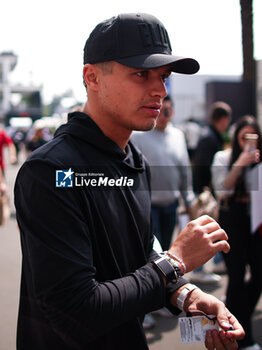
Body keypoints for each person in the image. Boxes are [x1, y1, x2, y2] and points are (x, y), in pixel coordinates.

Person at [14, 13, 244, 350]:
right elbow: (75, 311)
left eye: (163, 76)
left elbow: (133, 259)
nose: (159, 90)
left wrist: (185, 294)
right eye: (141, 74)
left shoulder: (134, 160)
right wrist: (176, 261)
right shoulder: (51, 170)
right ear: (92, 77)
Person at [212, 115, 262, 350]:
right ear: (236, 138)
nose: (249, 142)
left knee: (259, 274)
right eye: (244, 137)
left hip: (256, 221)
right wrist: (241, 162)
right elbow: (222, 190)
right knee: (237, 276)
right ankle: (245, 339)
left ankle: (233, 315)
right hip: (233, 219)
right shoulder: (224, 157)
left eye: (253, 137)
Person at [132, 95, 195, 251]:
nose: (162, 115)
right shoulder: (138, 135)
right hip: (148, 206)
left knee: (167, 248)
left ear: (172, 112)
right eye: (158, 110)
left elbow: (184, 170)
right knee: (153, 250)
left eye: (166, 110)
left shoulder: (178, 135)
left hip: (171, 205)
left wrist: (189, 200)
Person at [190, 101, 232, 283]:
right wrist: (206, 190)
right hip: (205, 193)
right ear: (223, 119)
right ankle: (199, 269)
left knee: (209, 228)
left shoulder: (208, 135)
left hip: (202, 191)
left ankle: (214, 261)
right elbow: (204, 167)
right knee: (205, 229)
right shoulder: (211, 138)